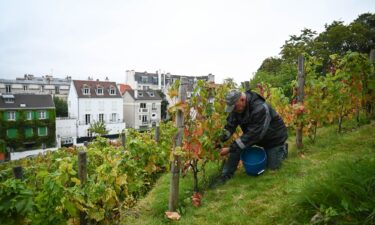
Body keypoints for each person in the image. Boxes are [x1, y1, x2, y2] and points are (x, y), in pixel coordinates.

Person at [212, 89, 288, 187]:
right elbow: (229, 127)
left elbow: (254, 135)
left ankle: (282, 150)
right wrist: (218, 141)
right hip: (256, 135)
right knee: (237, 148)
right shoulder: (237, 108)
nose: (234, 110)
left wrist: (230, 148)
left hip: (274, 138)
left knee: (272, 168)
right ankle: (225, 176)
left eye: (234, 107)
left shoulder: (260, 108)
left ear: (242, 100)